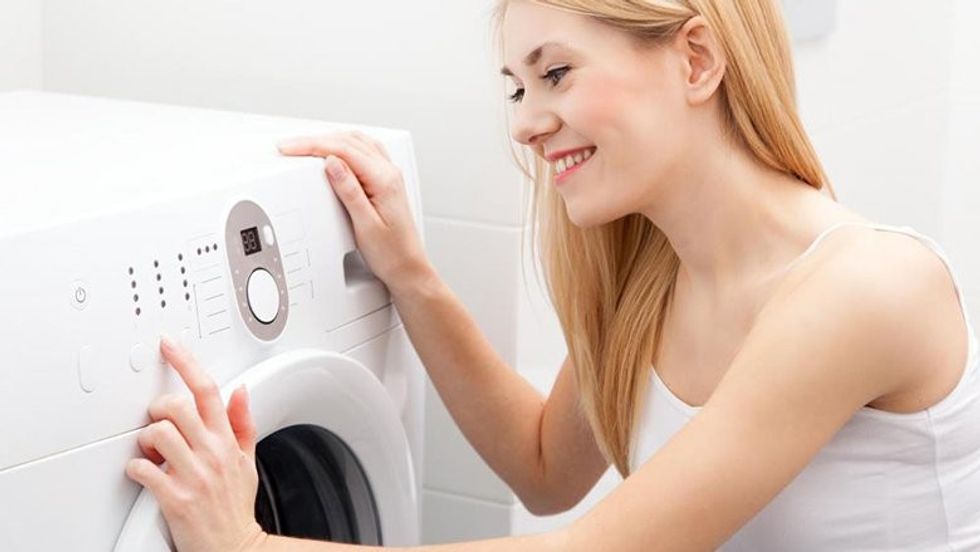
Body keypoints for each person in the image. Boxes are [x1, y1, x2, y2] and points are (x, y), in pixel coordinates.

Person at [125, 1, 980, 550]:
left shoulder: (867, 288)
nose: (529, 124)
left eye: (556, 73)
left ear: (696, 61)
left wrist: (247, 544)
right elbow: (544, 470)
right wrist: (409, 274)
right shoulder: (658, 282)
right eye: (516, 88)